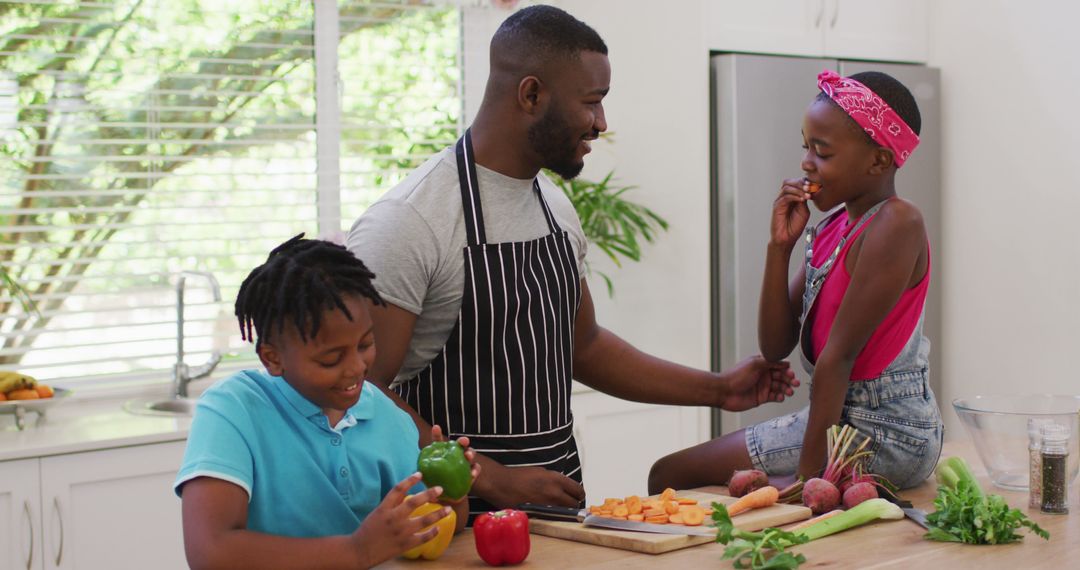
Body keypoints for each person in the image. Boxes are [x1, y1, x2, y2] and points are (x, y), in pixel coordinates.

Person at [347, 4, 797, 518]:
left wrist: (719, 389)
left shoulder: (554, 206)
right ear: (531, 94)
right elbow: (363, 389)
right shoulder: (411, 221)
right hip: (452, 519)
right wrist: (492, 478)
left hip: (556, 504)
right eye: (592, 102)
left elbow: (584, 346)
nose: (601, 123)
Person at [648, 71, 944, 494]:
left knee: (672, 477)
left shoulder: (898, 221)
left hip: (890, 431)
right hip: (840, 419)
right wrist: (778, 247)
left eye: (821, 151)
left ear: (878, 160)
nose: (806, 162)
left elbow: (837, 359)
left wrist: (808, 479)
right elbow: (774, 346)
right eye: (806, 146)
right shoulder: (834, 227)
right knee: (668, 474)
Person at [174, 234, 479, 569]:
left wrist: (449, 493)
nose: (356, 369)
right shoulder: (234, 409)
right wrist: (357, 551)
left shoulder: (387, 417)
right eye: (331, 359)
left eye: (365, 345)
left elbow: (426, 527)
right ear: (273, 358)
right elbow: (211, 552)